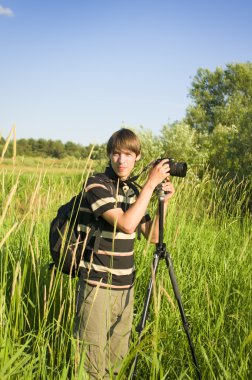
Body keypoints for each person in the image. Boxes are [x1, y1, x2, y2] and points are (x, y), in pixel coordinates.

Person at [73, 128, 175, 379]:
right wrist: (151, 184)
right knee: (92, 363)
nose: (121, 160)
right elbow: (127, 224)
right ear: (109, 155)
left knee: (118, 361)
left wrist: (164, 201)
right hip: (96, 286)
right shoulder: (96, 184)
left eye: (128, 154)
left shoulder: (134, 191)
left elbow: (152, 236)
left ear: (137, 157)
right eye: (116, 154)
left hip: (125, 286)